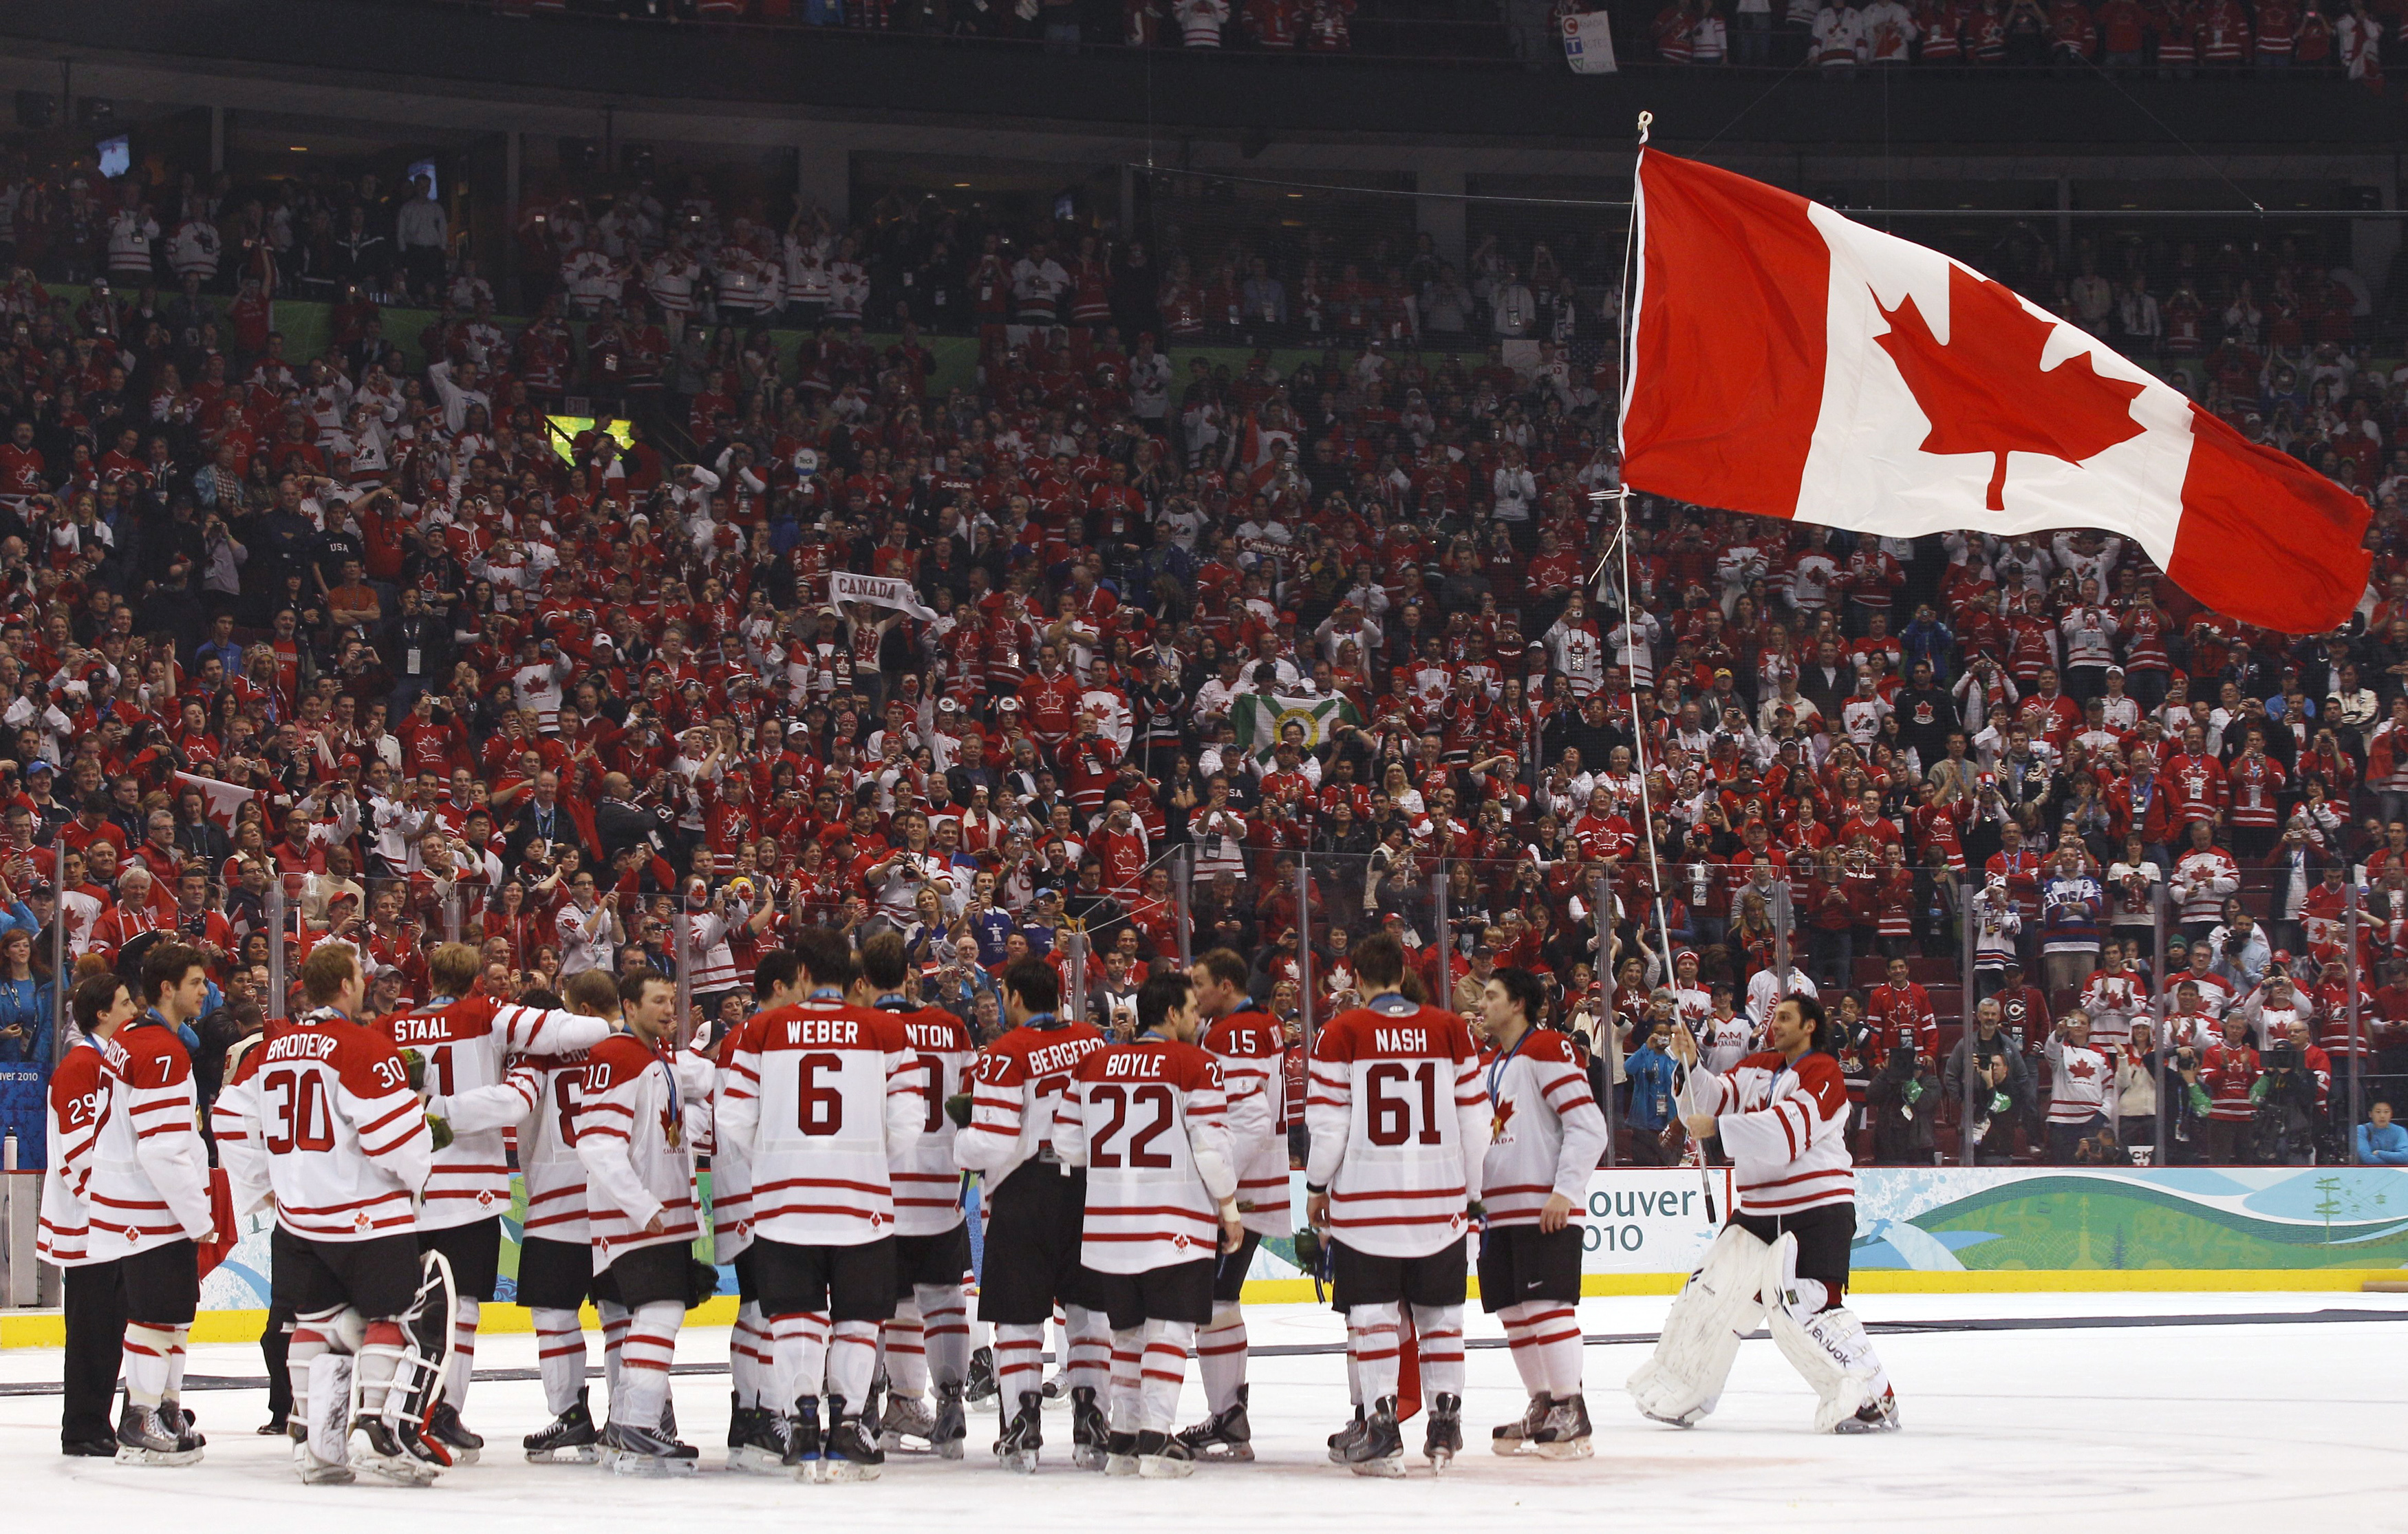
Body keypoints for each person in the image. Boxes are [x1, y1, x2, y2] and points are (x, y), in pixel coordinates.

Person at [215, 941, 445, 1484]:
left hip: (301, 1217)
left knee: (313, 1322)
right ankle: (375, 1429)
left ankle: (316, 1443)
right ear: (346, 984)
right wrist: (417, 1180)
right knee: (397, 1316)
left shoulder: (267, 1049)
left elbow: (227, 1119)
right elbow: (397, 1134)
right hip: (369, 1214)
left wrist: (266, 1185)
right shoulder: (363, 1045)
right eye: (360, 977)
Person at [380, 941, 614, 1460]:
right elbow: (533, 1081)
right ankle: (443, 1411)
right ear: (476, 984)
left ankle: (393, 1408)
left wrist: (423, 1110)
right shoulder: (492, 1019)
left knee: (405, 1306)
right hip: (475, 1192)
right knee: (462, 1309)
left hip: (407, 1187)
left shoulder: (390, 1027)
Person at [1632, 992, 1900, 1434]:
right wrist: (1692, 1065)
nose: (1775, 1024)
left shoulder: (1823, 1071)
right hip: (1758, 1209)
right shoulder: (1758, 1067)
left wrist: (1718, 1128)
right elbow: (1712, 1100)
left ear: (1810, 1026)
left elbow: (1786, 1135)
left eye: (1786, 1018)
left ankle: (1871, 1395)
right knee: (1711, 1295)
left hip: (1817, 1207)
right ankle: (1684, 1388)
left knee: (1805, 1307)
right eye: (1774, 1017)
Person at [1304, 930, 1489, 1478]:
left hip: (1367, 1201)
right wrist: (1471, 1193)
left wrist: (1317, 1187)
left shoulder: (1342, 1030)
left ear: (1358, 977)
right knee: (1441, 1317)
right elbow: (1477, 1124)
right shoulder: (1450, 1027)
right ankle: (1445, 1418)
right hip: (1440, 1200)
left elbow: (1329, 1125)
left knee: (1374, 1314)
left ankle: (1382, 1425)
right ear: (1403, 974)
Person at [1051, 968, 1244, 1478]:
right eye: (1193, 1011)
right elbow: (1212, 1147)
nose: (1198, 1019)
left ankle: (1124, 1439)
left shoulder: (1092, 1062)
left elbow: (1068, 1145)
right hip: (1174, 1221)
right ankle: (1157, 1438)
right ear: (1174, 1013)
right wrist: (1229, 1207)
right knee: (1170, 1330)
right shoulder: (1198, 1063)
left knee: (1129, 1334)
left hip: (1109, 1225)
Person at [950, 955, 1110, 1471]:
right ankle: (1093, 1423)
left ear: (1014, 998)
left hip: (1026, 1192)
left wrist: (960, 1142)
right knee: (1086, 1313)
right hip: (1087, 1187)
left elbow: (993, 1143)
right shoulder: (1092, 1040)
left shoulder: (1004, 1052)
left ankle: (1023, 1427)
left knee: (1019, 1319)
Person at [572, 965, 713, 1473]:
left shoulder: (656, 1057)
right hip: (638, 1218)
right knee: (659, 1311)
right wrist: (641, 1204)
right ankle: (637, 1424)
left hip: (662, 1215)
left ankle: (630, 1424)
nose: (667, 1009)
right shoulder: (616, 1054)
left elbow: (673, 1127)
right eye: (656, 1000)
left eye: (669, 1000)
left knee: (651, 1315)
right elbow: (596, 1143)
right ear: (628, 1006)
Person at [91, 943, 218, 1464]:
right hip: (149, 1204)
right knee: (153, 1313)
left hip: (138, 1200)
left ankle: (165, 1408)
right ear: (167, 987)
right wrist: (199, 1215)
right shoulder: (162, 1050)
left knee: (171, 1311)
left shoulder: (136, 1036)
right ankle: (141, 1415)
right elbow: (163, 1146)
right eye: (195, 982)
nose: (205, 990)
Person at [1475, 964, 1609, 1458]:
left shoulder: (1548, 1047)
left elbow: (1588, 1126)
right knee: (1514, 1312)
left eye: (1491, 996)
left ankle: (1571, 1407)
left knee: (1546, 1305)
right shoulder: (1494, 1061)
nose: (1481, 1003)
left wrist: (1565, 1191)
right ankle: (1543, 1402)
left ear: (1517, 1003)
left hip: (1542, 1206)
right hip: (1499, 1212)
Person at [857, 930, 977, 1458]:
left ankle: (865, 1402)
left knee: (873, 1303)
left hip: (875, 1188)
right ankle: (947, 1401)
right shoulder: (950, 1027)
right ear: (911, 973)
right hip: (937, 1183)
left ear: (862, 980)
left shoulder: (859, 1029)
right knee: (942, 1296)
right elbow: (969, 1102)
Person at [1178, 946, 1288, 1460]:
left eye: (1199, 982)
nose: (1193, 992)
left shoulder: (1231, 1032)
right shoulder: (1260, 1023)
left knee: (1216, 1300)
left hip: (1240, 1190)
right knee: (1222, 1298)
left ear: (1224, 984)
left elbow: (1250, 1120)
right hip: (1250, 1184)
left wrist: (1221, 1194)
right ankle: (1230, 1413)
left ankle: (1228, 1416)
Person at [510, 972, 620, 1465]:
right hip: (617, 1199)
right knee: (621, 1314)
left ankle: (570, 1415)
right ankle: (631, 1415)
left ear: (569, 1005)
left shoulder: (537, 1055)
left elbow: (524, 1127)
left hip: (555, 1199)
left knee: (553, 1314)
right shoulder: (629, 1047)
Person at [40, 972, 139, 1457]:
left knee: (107, 1327)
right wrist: (107, 1209)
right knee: (92, 1330)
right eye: (124, 1002)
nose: (132, 1010)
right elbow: (79, 1151)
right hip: (90, 1225)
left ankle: (97, 1420)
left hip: (105, 1222)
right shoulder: (82, 1066)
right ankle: (82, 1426)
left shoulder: (105, 1065)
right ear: (102, 1014)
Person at [2354, 1100, 2408, 1164]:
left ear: (2391, 1114)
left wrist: (2379, 1153)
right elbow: (2366, 1158)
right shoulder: (2361, 1130)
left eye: (2386, 1112)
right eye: (2378, 1112)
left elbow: (2405, 1157)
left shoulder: (2400, 1131)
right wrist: (2394, 1162)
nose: (2382, 1116)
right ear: (2370, 1114)